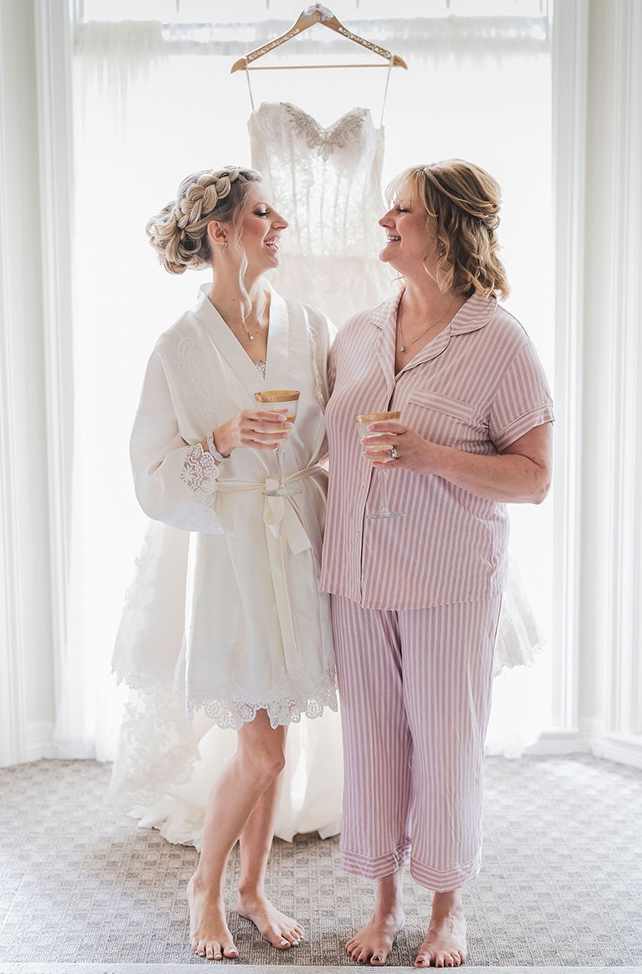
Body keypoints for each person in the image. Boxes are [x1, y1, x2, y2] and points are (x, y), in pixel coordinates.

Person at [320, 159, 554, 968]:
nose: (385, 219)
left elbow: (535, 477)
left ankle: (449, 910)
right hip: (354, 577)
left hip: (447, 578)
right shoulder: (355, 333)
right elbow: (328, 451)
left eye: (403, 210)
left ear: (448, 227)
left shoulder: (500, 341)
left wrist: (434, 456)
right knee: (374, 744)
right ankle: (383, 905)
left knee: (447, 744)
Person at [114, 166, 336, 960]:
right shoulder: (178, 350)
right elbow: (149, 474)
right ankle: (204, 887)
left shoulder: (308, 325)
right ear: (220, 231)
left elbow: (338, 426)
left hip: (298, 541)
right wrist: (221, 439)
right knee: (262, 745)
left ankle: (252, 888)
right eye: (261, 214)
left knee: (280, 740)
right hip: (234, 556)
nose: (279, 226)